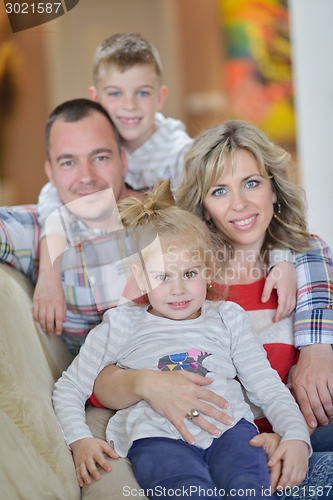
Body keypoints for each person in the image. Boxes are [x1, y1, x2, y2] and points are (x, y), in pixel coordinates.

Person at [92, 120, 333, 499]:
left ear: (274, 189)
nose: (240, 203)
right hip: (243, 452)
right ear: (203, 207)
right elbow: (100, 374)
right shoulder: (179, 280)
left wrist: (320, 349)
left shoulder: (306, 262)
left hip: (307, 429)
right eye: (220, 191)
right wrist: (145, 383)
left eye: (252, 183)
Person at [53, 180, 311, 500]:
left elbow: (267, 385)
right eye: (163, 277)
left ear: (207, 271)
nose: (178, 289)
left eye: (189, 274)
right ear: (141, 277)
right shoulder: (120, 324)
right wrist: (80, 440)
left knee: (251, 488)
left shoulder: (227, 317)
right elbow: (69, 387)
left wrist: (296, 436)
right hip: (157, 440)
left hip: (231, 431)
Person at [33, 33, 296, 341]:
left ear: (160, 97)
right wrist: (49, 274)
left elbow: (253, 209)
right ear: (96, 98)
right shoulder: (95, 155)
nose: (129, 106)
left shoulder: (178, 153)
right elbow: (53, 204)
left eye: (142, 93)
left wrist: (282, 257)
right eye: (115, 94)